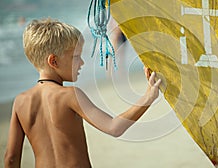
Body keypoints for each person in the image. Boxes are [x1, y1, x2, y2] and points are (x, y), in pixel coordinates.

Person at [4, 18, 161, 168]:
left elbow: (11, 158)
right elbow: (114, 128)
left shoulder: (20, 102)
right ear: (54, 61)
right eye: (76, 57)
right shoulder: (70, 95)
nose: (81, 63)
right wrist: (148, 97)